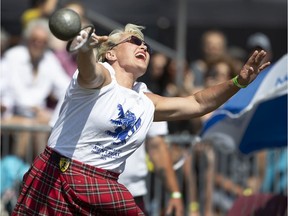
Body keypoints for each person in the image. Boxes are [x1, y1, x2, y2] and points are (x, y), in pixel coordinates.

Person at [12, 23, 270, 215]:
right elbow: (89, 69)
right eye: (134, 41)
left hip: (103, 183)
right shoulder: (101, 77)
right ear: (111, 53)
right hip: (60, 175)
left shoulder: (145, 100)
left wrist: (239, 82)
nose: (143, 46)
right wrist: (86, 49)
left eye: (145, 43)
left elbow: (198, 102)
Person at [1, 18, 70, 159]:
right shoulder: (13, 56)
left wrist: (51, 113)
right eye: (35, 39)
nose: (38, 44)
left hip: (37, 118)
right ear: (28, 38)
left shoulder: (49, 59)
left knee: (41, 128)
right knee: (29, 128)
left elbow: (67, 89)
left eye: (43, 41)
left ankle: (34, 173)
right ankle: (22, 174)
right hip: (11, 114)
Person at [119, 121, 184, 216]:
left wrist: (175, 194)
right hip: (91, 195)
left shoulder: (149, 105)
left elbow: (157, 147)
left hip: (133, 195)